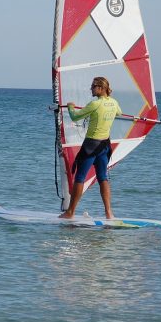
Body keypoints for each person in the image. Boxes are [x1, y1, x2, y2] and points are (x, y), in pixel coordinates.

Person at [59, 77, 121, 219]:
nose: (91, 89)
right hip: (105, 146)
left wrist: (70, 107)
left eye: (93, 86)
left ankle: (70, 212)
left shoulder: (95, 104)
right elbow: (118, 113)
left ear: (100, 88)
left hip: (91, 146)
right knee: (103, 177)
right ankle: (109, 213)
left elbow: (75, 117)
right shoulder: (114, 102)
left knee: (80, 177)